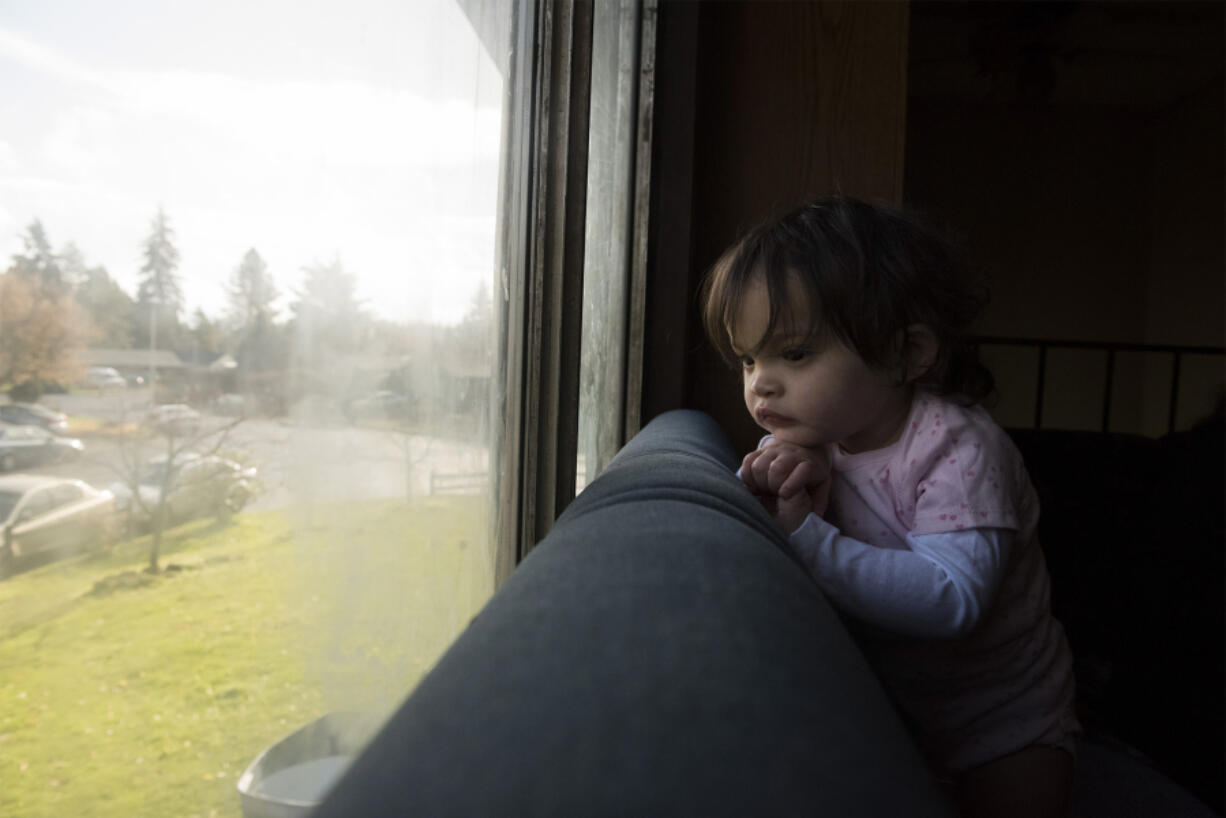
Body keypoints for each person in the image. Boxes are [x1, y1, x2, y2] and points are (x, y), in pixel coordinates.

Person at [701, 196, 1079, 818]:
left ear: (907, 353)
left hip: (1007, 720)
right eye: (748, 359)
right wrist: (786, 476)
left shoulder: (957, 449)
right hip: (897, 709)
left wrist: (806, 539)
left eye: (794, 354)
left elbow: (953, 597)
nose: (760, 384)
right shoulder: (816, 435)